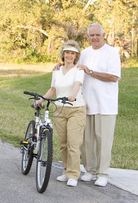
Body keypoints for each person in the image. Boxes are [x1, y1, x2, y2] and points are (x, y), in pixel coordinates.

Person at [34, 40, 86, 187]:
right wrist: (41, 100)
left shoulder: (79, 70)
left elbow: (77, 85)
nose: (69, 56)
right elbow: (53, 90)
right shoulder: (56, 70)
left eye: (73, 53)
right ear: (63, 54)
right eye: (67, 52)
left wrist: (73, 95)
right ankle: (66, 171)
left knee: (73, 143)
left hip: (76, 109)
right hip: (59, 108)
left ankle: (74, 175)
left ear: (76, 56)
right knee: (63, 143)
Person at [76, 23, 121, 187]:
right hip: (86, 104)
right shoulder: (85, 53)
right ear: (88, 37)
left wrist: (91, 72)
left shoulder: (112, 53)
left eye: (97, 35)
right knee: (86, 141)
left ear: (104, 35)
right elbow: (76, 70)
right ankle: (90, 170)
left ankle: (102, 174)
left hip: (106, 105)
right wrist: (60, 67)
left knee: (103, 141)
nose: (94, 38)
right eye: (91, 35)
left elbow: (114, 77)